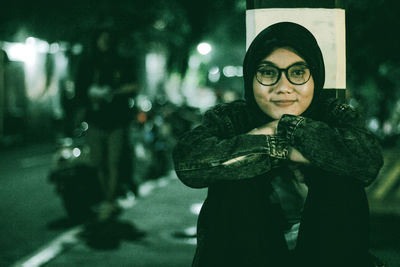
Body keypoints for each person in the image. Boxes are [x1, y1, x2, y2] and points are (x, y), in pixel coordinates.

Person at [172, 22, 384, 267]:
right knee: (235, 186)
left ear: (315, 77)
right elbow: (189, 164)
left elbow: (367, 162)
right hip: (242, 256)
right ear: (251, 77)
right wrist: (273, 139)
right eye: (268, 72)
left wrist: (292, 128)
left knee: (341, 182)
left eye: (297, 73)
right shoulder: (231, 119)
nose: (283, 87)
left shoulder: (335, 115)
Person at [75, 28, 139, 221]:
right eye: (102, 39)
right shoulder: (88, 63)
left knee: (114, 161)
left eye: (108, 39)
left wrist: (113, 92)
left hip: (116, 121)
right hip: (95, 120)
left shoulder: (121, 62)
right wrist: (90, 96)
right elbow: (79, 89)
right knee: (97, 162)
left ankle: (110, 201)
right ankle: (106, 198)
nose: (105, 42)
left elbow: (134, 86)